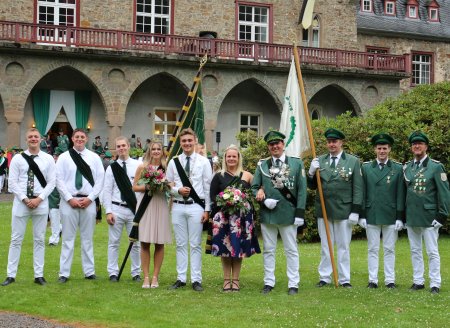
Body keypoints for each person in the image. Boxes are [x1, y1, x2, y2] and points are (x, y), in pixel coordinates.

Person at [252, 130, 307, 295]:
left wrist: (300, 213)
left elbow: (302, 191)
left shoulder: (296, 164)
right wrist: (260, 196)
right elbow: (254, 187)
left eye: (277, 143)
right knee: (269, 249)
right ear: (268, 147)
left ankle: (293, 283)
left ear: (283, 145)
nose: (275, 146)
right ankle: (269, 282)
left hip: (289, 214)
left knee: (291, 250)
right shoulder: (262, 165)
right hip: (268, 214)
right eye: (271, 144)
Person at [308, 128, 363, 288]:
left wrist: (355, 211)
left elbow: (358, 188)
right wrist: (311, 172)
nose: (331, 144)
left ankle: (345, 279)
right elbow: (312, 186)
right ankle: (325, 277)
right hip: (324, 209)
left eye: (335, 141)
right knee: (326, 245)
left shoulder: (352, 161)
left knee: (343, 246)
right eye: (329, 141)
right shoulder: (320, 160)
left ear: (341, 142)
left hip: (344, 210)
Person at [1, 128, 56, 286]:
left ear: (41, 139)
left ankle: (39, 275)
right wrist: (25, 199)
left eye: (36, 136)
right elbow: (12, 182)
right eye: (30, 137)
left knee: (39, 240)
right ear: (26, 139)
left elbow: (52, 182)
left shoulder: (48, 159)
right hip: (21, 203)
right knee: (16, 240)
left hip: (40, 203)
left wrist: (39, 199)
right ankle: (11, 275)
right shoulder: (18, 159)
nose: (33, 139)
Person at [56, 128, 104, 283]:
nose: (80, 139)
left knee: (87, 239)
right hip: (69, 202)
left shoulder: (94, 157)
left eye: (82, 137)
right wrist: (69, 199)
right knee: (68, 239)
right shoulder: (64, 157)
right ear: (72, 138)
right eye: (77, 137)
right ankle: (64, 273)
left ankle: (89, 272)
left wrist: (91, 198)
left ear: (87, 139)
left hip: (88, 201)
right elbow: (59, 180)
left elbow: (100, 180)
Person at [166, 128, 212, 291]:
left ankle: (196, 279)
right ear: (181, 143)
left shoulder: (204, 162)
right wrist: (177, 191)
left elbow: (208, 187)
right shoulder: (174, 162)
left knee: (195, 244)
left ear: (195, 141)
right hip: (178, 206)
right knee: (180, 244)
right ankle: (180, 278)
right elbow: (168, 184)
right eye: (184, 141)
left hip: (196, 207)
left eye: (189, 140)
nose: (187, 143)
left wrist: (207, 210)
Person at [403, 131, 449, 294]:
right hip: (412, 216)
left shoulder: (436, 167)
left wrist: (442, 214)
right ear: (411, 147)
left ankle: (435, 283)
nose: (417, 146)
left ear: (426, 147)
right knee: (415, 250)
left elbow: (444, 193)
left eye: (420, 144)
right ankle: (418, 281)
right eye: (414, 144)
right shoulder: (407, 167)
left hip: (430, 217)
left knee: (432, 251)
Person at [210, 144, 260, 292]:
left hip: (241, 219)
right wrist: (225, 201)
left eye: (234, 156)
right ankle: (226, 281)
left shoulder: (247, 175)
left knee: (238, 250)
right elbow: (213, 195)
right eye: (228, 156)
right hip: (223, 217)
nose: (231, 159)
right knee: (225, 249)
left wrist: (253, 194)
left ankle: (236, 281)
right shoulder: (218, 175)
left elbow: (254, 192)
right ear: (225, 158)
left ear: (238, 158)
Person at [359, 133, 405, 289]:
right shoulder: (365, 167)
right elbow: (362, 192)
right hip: (371, 213)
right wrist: (362, 214)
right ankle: (373, 280)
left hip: (391, 214)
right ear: (375, 150)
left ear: (389, 149)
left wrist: (400, 217)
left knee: (389, 249)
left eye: (385, 148)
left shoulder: (398, 168)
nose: (382, 151)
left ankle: (389, 280)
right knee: (372, 248)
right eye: (379, 148)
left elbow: (400, 194)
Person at [133, 141, 172, 288]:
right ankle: (146, 277)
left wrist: (164, 184)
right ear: (149, 151)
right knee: (144, 242)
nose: (156, 151)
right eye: (153, 149)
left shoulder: (166, 168)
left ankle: (155, 277)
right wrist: (148, 186)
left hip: (160, 204)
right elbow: (135, 187)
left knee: (159, 242)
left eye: (158, 149)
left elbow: (172, 186)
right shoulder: (142, 167)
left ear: (162, 151)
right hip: (146, 205)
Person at [103, 136, 141, 282]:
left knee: (136, 243)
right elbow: (107, 190)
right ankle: (113, 272)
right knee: (114, 242)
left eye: (123, 145)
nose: (121, 148)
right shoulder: (112, 168)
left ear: (128, 147)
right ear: (116, 149)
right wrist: (108, 211)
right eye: (118, 146)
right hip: (116, 208)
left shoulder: (138, 165)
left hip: (133, 209)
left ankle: (136, 273)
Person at [48, 147, 63, 246]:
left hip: (57, 198)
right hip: (49, 197)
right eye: (54, 156)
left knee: (54, 219)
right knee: (53, 219)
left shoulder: (63, 169)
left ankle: (54, 240)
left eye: (57, 156)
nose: (55, 158)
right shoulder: (50, 167)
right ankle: (60, 229)